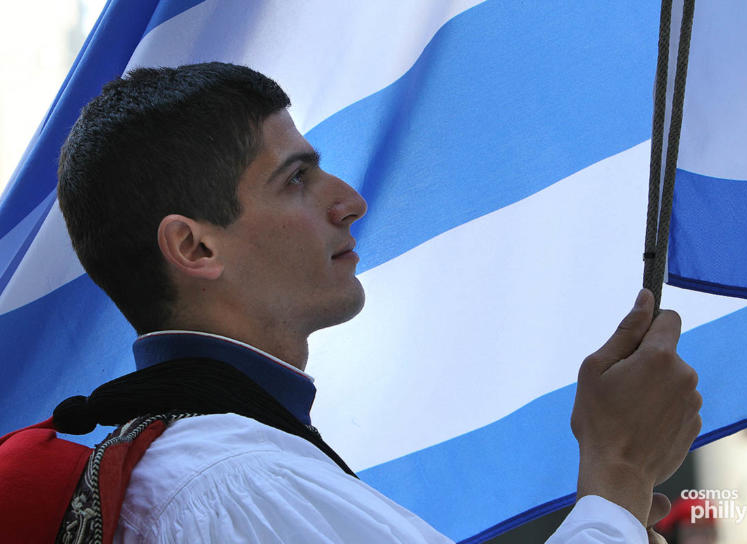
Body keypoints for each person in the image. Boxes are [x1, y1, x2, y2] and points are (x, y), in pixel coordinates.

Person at [53, 62, 702, 543]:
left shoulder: (220, 468)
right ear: (194, 248)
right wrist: (618, 470)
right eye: (296, 178)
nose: (349, 202)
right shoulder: (236, 482)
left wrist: (614, 510)